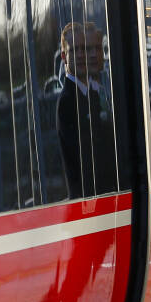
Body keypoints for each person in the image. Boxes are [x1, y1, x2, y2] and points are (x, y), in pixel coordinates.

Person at [57, 21, 117, 198]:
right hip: (89, 203)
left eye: (84, 48)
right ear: (64, 57)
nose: (82, 55)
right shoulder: (67, 102)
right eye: (74, 50)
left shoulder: (91, 95)